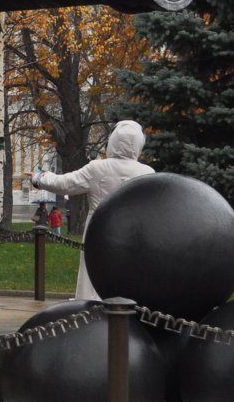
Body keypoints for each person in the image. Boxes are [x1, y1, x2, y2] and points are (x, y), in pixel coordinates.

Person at [25, 120, 154, 300]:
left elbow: (64, 183)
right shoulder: (147, 172)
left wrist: (39, 178)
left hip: (98, 227)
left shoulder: (98, 168)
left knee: (92, 272)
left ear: (113, 142)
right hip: (133, 232)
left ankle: (89, 306)